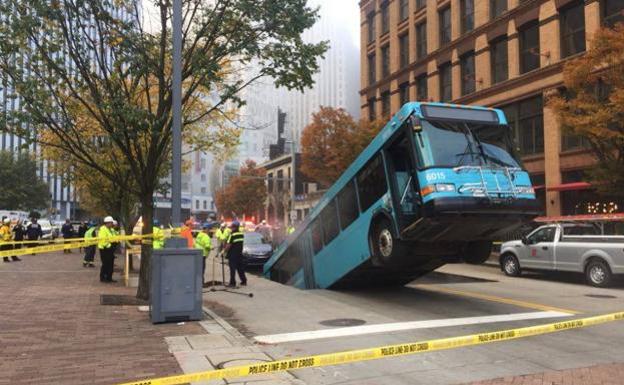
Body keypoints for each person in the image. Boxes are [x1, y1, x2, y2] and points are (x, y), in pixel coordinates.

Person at [224, 221, 246, 287]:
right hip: (239, 253)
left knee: (232, 269)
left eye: (232, 227)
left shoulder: (232, 235)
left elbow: (228, 245)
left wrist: (224, 251)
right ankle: (244, 281)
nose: (231, 228)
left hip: (233, 254)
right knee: (240, 268)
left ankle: (232, 283)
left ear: (234, 227)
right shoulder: (241, 234)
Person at [98, 216, 116, 283]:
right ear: (107, 223)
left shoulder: (110, 229)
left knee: (111, 264)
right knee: (106, 264)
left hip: (110, 249)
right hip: (104, 249)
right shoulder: (103, 229)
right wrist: (109, 245)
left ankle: (109, 277)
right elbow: (103, 240)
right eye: (111, 223)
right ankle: (103, 277)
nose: (112, 224)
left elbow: (113, 237)